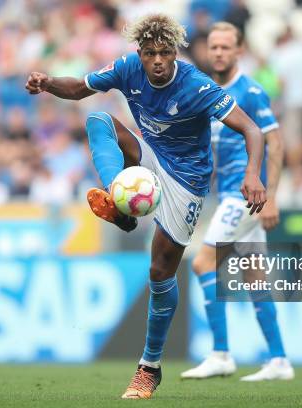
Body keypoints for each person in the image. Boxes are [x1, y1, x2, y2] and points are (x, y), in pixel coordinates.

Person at [25, 14, 266, 399]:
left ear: (175, 53)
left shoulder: (197, 86)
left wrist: (253, 175)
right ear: (140, 53)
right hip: (152, 154)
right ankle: (118, 198)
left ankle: (149, 366)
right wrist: (48, 82)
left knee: (159, 271)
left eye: (164, 53)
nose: (157, 60)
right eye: (150, 53)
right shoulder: (127, 68)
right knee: (100, 119)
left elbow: (252, 129)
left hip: (187, 178)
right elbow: (78, 89)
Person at [181, 22, 294, 382]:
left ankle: (220, 353)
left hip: (245, 198)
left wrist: (271, 196)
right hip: (226, 195)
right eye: (213, 46)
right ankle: (279, 360)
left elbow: (275, 143)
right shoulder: (207, 91)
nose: (217, 53)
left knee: (202, 262)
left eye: (225, 47)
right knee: (255, 277)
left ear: (239, 51)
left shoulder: (251, 91)